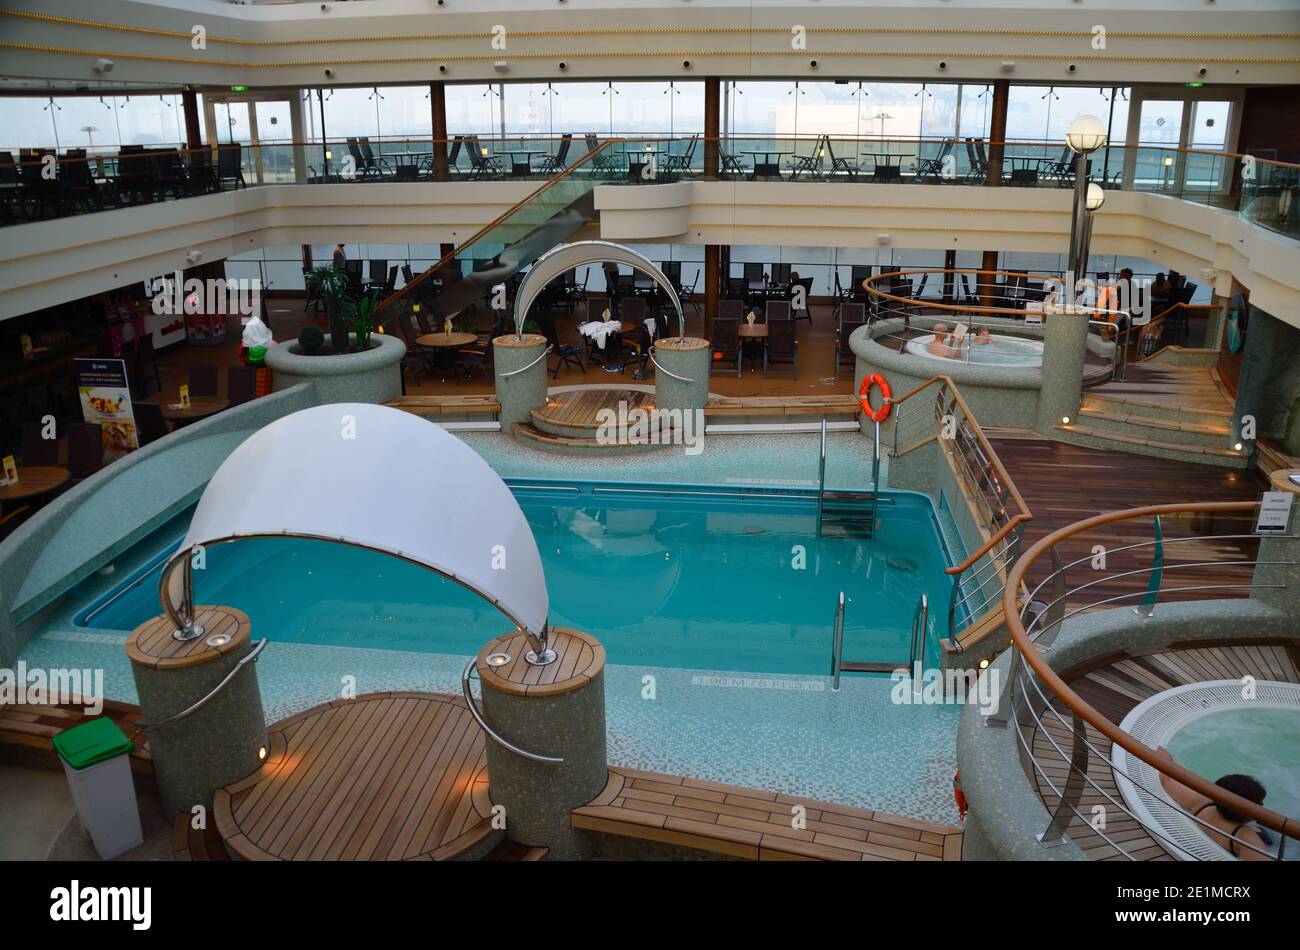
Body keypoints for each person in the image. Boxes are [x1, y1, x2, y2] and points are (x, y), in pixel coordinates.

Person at [1153, 746, 1274, 860]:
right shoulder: (1245, 836)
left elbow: (1166, 780)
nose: (1262, 806)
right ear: (1243, 809)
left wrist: (1167, 761)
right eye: (1259, 803)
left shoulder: (1205, 805)